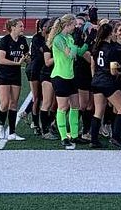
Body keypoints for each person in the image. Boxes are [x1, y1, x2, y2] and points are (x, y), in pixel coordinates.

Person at [48, 14, 89, 147]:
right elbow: (70, 55)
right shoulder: (58, 39)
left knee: (75, 106)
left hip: (70, 76)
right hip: (60, 76)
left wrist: (88, 42)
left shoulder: (70, 37)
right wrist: (76, 43)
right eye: (74, 25)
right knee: (63, 107)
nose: (76, 27)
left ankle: (75, 135)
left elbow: (78, 53)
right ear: (67, 25)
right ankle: (63, 136)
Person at [90, 23, 121, 149]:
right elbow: (113, 70)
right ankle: (116, 137)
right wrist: (118, 70)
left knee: (98, 111)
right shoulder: (111, 49)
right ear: (110, 33)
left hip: (97, 81)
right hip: (108, 82)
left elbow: (93, 65)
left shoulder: (96, 46)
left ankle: (93, 139)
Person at [0, 18, 30, 141]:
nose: (23, 28)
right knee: (4, 103)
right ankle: (1, 125)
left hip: (15, 75)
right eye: (20, 26)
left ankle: (12, 132)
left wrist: (27, 59)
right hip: (3, 74)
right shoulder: (4, 41)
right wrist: (17, 63)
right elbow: (1, 60)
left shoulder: (22, 40)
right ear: (13, 27)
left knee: (14, 103)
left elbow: (26, 55)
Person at [26, 18, 49, 135]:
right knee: (36, 98)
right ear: (42, 27)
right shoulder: (37, 38)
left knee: (44, 97)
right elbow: (44, 50)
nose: (48, 27)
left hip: (44, 70)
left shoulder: (50, 37)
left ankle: (44, 122)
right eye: (47, 25)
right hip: (35, 69)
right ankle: (35, 123)